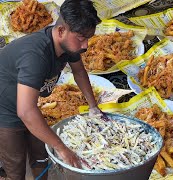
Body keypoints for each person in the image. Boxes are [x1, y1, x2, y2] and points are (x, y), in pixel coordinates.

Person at [0, 0, 103, 179]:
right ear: (61, 30)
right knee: (15, 166)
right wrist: (62, 148)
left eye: (88, 38)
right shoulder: (35, 56)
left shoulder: (68, 45)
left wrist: (94, 107)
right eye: (81, 38)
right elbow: (25, 112)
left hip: (25, 104)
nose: (85, 45)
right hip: (5, 110)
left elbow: (79, 72)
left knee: (41, 154)